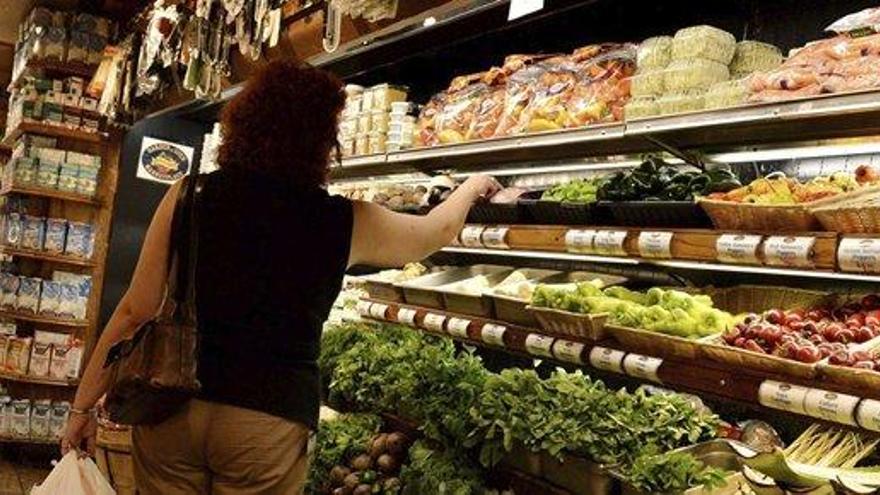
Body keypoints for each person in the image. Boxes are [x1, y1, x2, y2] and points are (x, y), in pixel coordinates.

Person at [62, 59, 500, 494]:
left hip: (173, 404)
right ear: (323, 141)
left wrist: (82, 408)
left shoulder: (190, 195)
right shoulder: (343, 220)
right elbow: (431, 234)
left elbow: (134, 312)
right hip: (269, 419)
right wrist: (473, 184)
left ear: (243, 122)